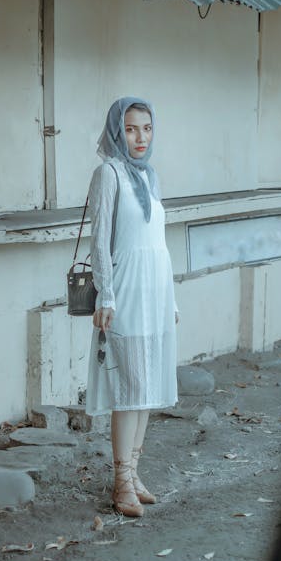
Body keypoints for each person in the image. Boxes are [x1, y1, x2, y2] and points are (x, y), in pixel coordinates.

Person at [86, 96, 178, 517]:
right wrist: (105, 294)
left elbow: (159, 245)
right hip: (125, 293)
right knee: (128, 387)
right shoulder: (109, 174)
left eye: (147, 128)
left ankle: (134, 472)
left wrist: (171, 298)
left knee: (145, 389)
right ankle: (120, 483)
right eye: (130, 129)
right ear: (116, 131)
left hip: (154, 293)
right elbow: (100, 240)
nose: (140, 137)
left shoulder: (150, 177)